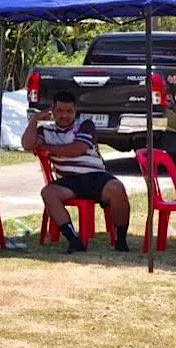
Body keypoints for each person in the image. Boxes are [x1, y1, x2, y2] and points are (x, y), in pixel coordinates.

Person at [22, 90, 131, 253]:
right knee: (48, 193)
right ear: (52, 111)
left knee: (117, 188)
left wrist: (47, 147)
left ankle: (121, 241)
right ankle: (74, 241)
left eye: (69, 111)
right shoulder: (45, 131)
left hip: (96, 177)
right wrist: (34, 120)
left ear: (75, 111)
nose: (64, 115)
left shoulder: (85, 125)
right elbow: (27, 144)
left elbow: (77, 149)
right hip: (68, 181)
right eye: (60, 111)